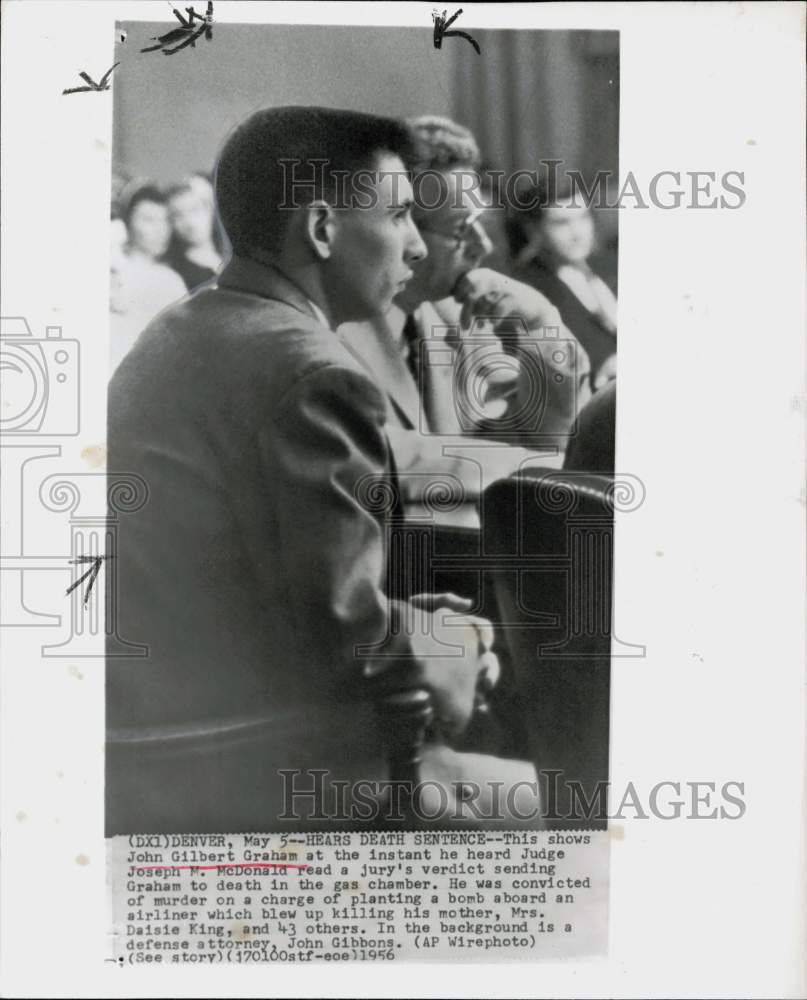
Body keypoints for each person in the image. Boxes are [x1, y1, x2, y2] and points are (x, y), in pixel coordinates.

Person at [106, 106, 537, 834]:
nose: (410, 247)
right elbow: (345, 640)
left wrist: (411, 622)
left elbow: (292, 602)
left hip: (160, 746)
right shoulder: (311, 371)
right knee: (575, 807)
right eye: (399, 215)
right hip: (251, 764)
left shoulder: (188, 326)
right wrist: (445, 644)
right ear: (321, 229)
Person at [339, 117, 591, 503]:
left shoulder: (453, 317)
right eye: (461, 228)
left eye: (481, 223)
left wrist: (542, 323)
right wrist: (534, 470)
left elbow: (546, 436)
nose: (483, 246)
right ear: (398, 227)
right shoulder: (332, 326)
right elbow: (374, 459)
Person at [508, 178, 618, 390]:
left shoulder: (610, 264)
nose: (578, 233)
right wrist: (601, 369)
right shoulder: (527, 289)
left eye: (583, 218)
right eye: (562, 223)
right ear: (534, 230)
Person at [109, 185, 187, 373]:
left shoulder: (172, 280)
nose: (160, 229)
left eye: (165, 220)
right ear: (127, 222)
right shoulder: (113, 271)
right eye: (148, 219)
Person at [164, 174, 224, 291]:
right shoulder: (177, 272)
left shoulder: (230, 252)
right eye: (178, 215)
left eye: (194, 210)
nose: (189, 223)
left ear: (209, 210)